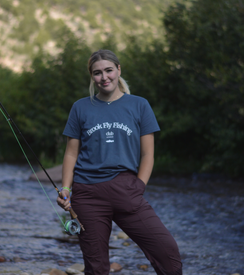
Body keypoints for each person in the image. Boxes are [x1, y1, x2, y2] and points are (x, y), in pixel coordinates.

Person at [56, 49, 182, 275]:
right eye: (97, 73)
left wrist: (139, 186)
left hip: (127, 191)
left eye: (108, 70)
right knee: (96, 268)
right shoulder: (80, 107)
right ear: (91, 77)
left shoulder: (139, 105)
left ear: (118, 70)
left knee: (167, 252)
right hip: (88, 196)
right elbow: (71, 154)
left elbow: (148, 155)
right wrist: (65, 188)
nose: (104, 77)